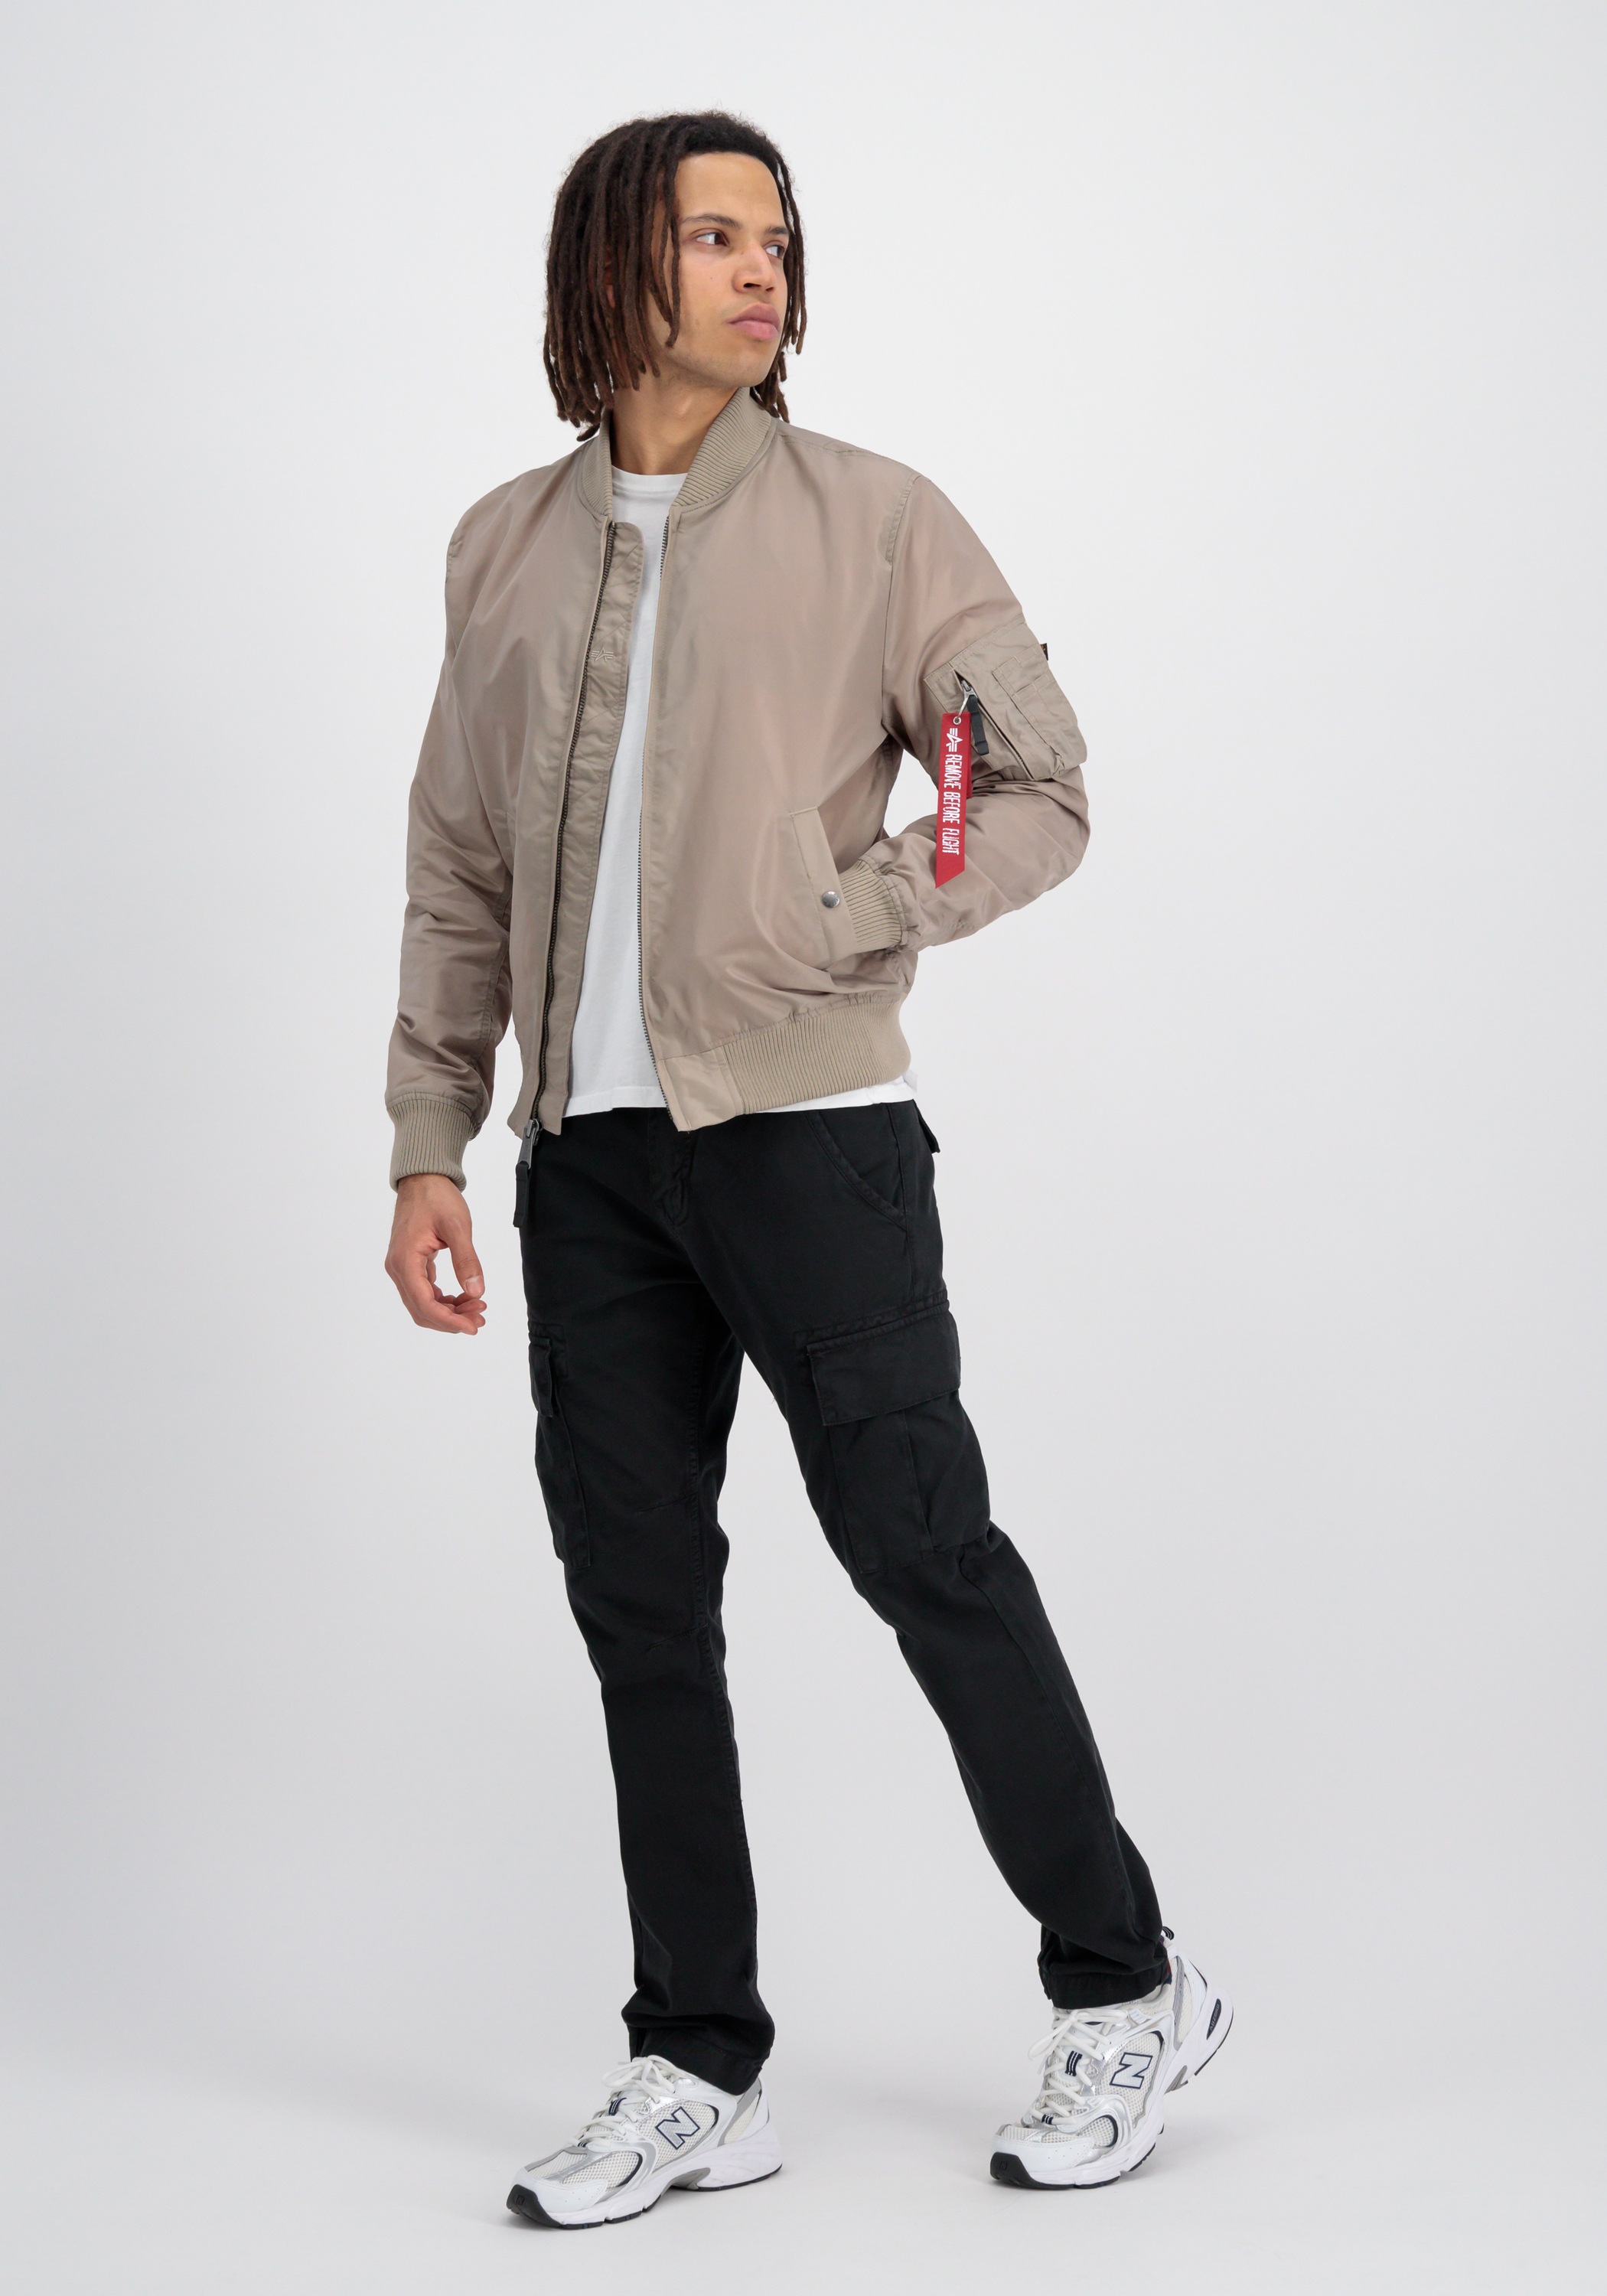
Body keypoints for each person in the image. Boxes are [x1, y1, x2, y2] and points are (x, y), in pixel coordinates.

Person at [383, 109, 1230, 2229]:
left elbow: (1027, 787)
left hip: (810, 1143)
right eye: (711, 235)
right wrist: (427, 1135)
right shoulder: (498, 546)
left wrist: (852, 911)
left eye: (775, 236)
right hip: (585, 1167)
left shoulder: (876, 522)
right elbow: (459, 865)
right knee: (639, 1603)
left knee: (923, 1551)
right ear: (612, 265)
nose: (760, 270)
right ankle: (697, 2060)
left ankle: (1127, 1981)